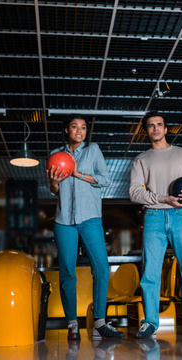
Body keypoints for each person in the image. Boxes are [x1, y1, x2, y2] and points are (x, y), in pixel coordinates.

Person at [129, 111, 182, 339]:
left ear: (166, 129)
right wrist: (163, 198)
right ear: (146, 131)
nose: (155, 128)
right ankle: (150, 323)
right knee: (150, 274)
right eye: (151, 125)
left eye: (159, 125)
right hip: (154, 216)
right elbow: (134, 193)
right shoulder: (141, 160)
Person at [47, 114, 124, 341]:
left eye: (83, 127)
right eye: (74, 127)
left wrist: (77, 173)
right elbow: (55, 191)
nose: (79, 131)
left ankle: (99, 322)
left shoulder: (93, 150)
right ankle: (72, 324)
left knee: (101, 267)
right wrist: (53, 183)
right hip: (63, 221)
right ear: (66, 130)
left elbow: (106, 180)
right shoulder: (55, 156)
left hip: (90, 217)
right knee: (67, 272)